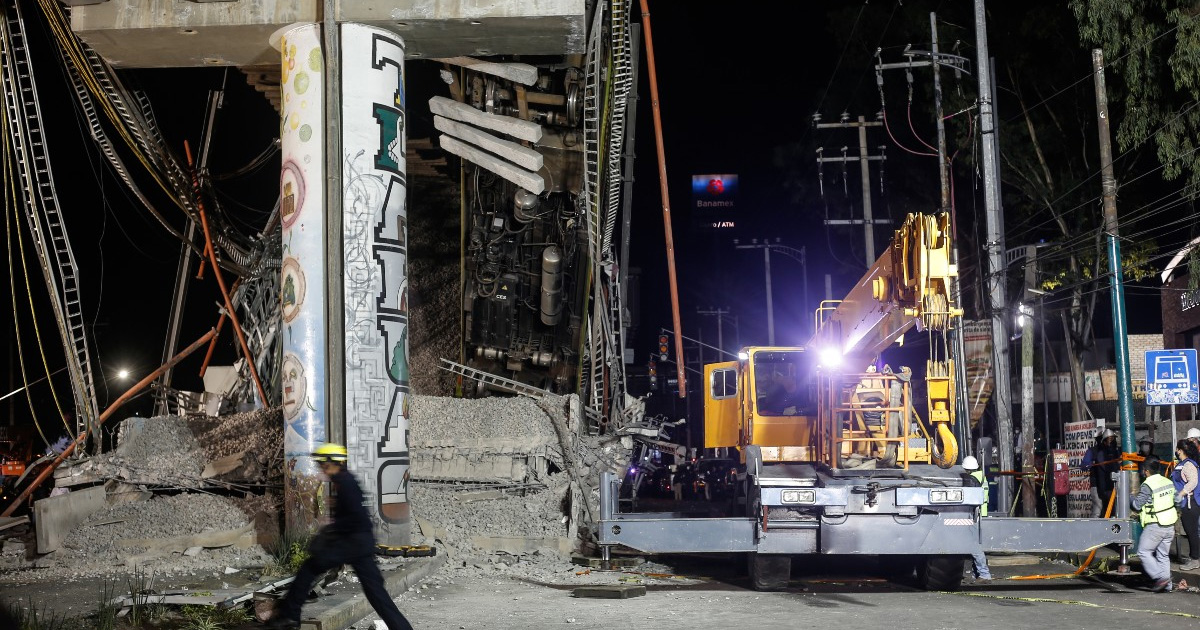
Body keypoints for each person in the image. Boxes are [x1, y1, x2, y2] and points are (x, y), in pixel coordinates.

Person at [268, 444, 415, 630]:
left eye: (323, 464)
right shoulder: (344, 481)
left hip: (351, 542)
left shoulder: (346, 484)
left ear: (333, 463)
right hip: (360, 543)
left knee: (309, 568)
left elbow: (355, 517)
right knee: (376, 592)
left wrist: (330, 533)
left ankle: (289, 617)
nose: (322, 468)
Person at [1132, 459, 1179, 593]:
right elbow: (1177, 500)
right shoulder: (1168, 482)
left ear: (1146, 471)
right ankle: (1167, 586)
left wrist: (1130, 498)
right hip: (1170, 524)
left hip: (1155, 524)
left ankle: (1160, 578)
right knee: (1163, 555)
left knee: (1143, 552)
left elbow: (1137, 505)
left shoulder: (1148, 484)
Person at [961, 456, 992, 584]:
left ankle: (984, 574)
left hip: (976, 514)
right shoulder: (981, 475)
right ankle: (976, 574)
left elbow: (969, 496)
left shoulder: (972, 478)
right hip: (982, 512)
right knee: (975, 544)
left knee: (975, 546)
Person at [1171, 439, 1200, 571]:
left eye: (1177, 449)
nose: (1176, 451)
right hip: (1187, 502)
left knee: (1192, 532)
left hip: (1190, 503)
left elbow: (1193, 482)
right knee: (1191, 531)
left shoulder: (1188, 465)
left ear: (1181, 451)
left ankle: (1195, 560)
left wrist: (1181, 494)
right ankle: (1194, 558)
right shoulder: (1183, 464)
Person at [1088, 429, 1119, 517]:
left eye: (1112, 439)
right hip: (1105, 488)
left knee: (1115, 511)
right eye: (1109, 440)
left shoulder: (1117, 452)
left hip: (1115, 486)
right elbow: (1105, 469)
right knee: (1101, 510)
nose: (1111, 442)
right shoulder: (1100, 453)